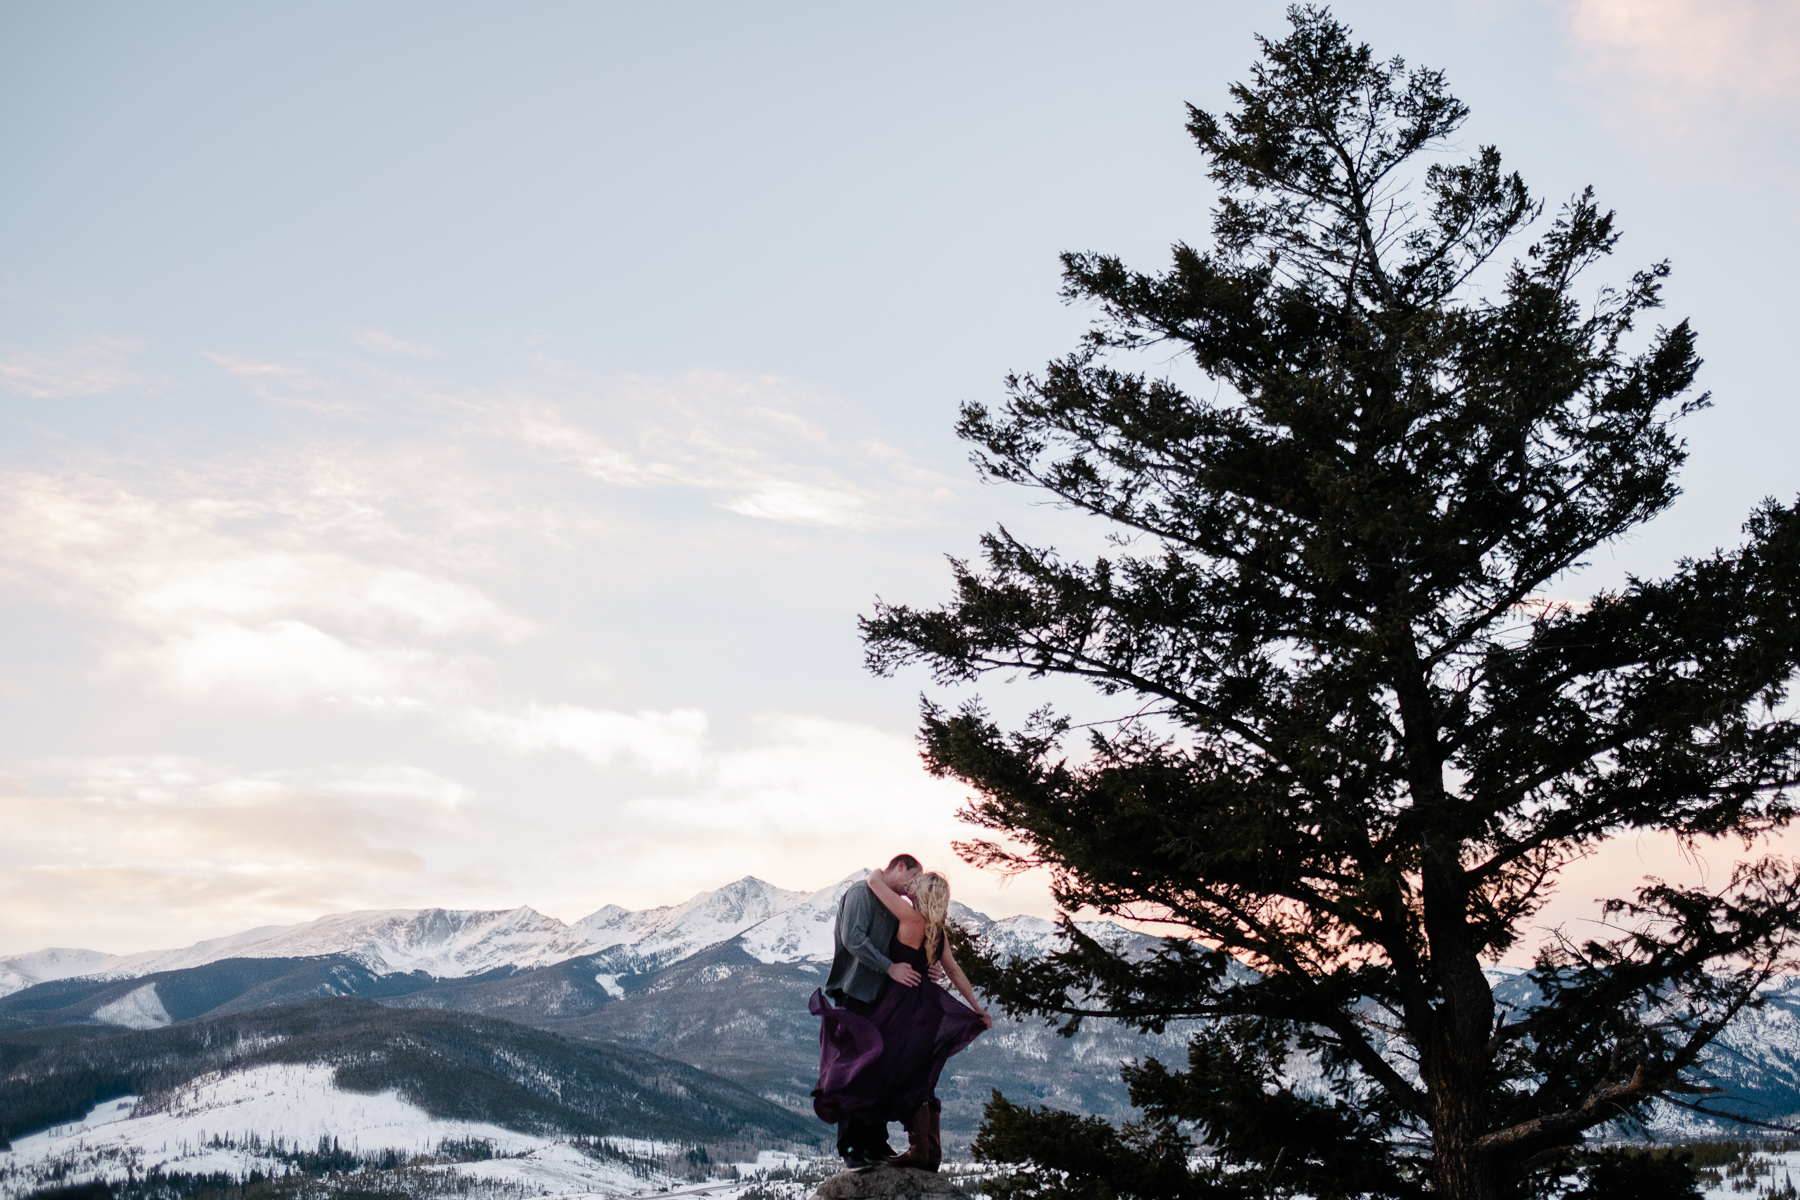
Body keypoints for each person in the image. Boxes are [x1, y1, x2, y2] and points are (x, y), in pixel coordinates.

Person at [811, 863, 992, 1172]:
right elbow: (954, 970)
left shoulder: (910, 918)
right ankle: (924, 1150)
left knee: (864, 1069)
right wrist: (976, 1006)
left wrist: (878, 873)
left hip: (896, 1009)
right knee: (912, 1077)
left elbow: (875, 884)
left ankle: (868, 1145)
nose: (909, 890)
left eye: (916, 887)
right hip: (926, 1013)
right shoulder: (938, 932)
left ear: (922, 895)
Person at [818, 854, 922, 1166]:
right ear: (900, 866)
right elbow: (853, 939)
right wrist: (889, 968)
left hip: (882, 998)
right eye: (914, 877)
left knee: (880, 1071)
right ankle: (851, 1147)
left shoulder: (892, 901)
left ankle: (875, 1142)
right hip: (855, 994)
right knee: (854, 1071)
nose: (913, 886)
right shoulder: (862, 894)